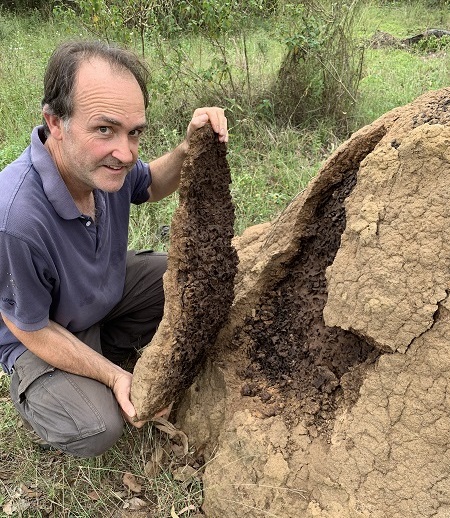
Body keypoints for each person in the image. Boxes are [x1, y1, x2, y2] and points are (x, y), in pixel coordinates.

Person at [0, 40, 227, 458]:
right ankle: (56, 386)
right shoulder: (15, 220)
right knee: (95, 427)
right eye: (104, 129)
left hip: (97, 295)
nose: (124, 153)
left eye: (134, 132)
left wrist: (188, 147)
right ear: (55, 122)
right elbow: (28, 327)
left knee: (187, 283)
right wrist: (114, 376)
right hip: (43, 331)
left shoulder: (103, 167)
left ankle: (102, 344)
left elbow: (152, 183)